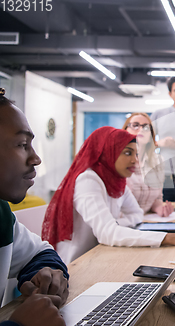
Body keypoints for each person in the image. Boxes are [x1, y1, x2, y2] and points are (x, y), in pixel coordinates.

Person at [41, 127, 175, 264]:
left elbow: (136, 214)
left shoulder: (116, 180)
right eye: (127, 153)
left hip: (100, 255)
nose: (135, 160)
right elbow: (107, 233)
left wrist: (114, 224)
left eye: (136, 154)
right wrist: (170, 238)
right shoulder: (88, 179)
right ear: (106, 151)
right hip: (76, 265)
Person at [0, 88, 68, 326]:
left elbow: (38, 252)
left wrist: (48, 273)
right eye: (22, 144)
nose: (36, 158)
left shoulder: (1, 214)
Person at [122, 113, 174, 217]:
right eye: (135, 125)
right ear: (125, 130)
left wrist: (160, 209)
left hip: (145, 221)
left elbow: (156, 198)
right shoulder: (117, 160)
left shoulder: (157, 160)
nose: (141, 129)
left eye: (146, 127)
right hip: (121, 223)